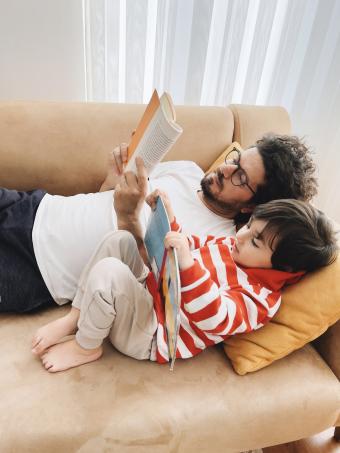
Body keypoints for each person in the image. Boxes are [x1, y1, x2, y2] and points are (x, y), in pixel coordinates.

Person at [31, 159, 338, 372]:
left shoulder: (260, 300)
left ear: (284, 271)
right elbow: (191, 243)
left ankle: (86, 347)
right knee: (120, 241)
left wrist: (189, 267)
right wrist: (169, 217)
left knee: (109, 273)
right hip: (149, 295)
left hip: (150, 333)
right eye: (249, 227)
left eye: (256, 241)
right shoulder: (234, 246)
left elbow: (216, 317)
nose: (242, 238)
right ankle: (76, 316)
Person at [0, 134, 317, 313]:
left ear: (251, 206)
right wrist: (112, 178)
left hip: (37, 271)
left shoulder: (213, 246)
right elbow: (102, 202)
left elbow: (135, 286)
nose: (226, 169)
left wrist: (128, 218)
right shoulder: (187, 170)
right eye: (236, 160)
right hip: (36, 206)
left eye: (241, 177)